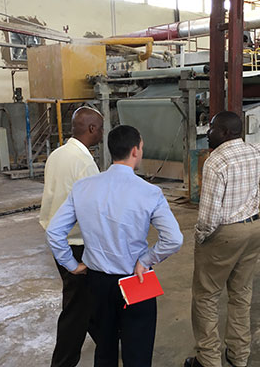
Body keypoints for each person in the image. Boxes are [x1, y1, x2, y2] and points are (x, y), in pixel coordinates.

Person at [46, 125, 183, 367]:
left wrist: (71, 264)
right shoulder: (150, 192)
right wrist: (146, 260)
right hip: (136, 279)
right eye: (141, 147)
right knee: (137, 353)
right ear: (135, 150)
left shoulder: (84, 187)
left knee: (105, 350)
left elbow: (55, 231)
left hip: (96, 281)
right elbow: (173, 239)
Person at [185, 111, 260, 367]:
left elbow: (209, 217)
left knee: (206, 297)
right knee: (241, 296)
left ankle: (208, 360)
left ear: (224, 132)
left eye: (210, 128)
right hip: (254, 231)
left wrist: (200, 238)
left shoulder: (216, 162)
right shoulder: (255, 152)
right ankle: (238, 357)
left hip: (225, 234)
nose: (206, 132)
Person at [39, 106, 104, 367]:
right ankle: (62, 363)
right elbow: (94, 209)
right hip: (77, 244)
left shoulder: (57, 155)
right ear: (91, 129)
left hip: (58, 241)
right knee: (76, 310)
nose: (101, 133)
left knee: (86, 300)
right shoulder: (85, 163)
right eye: (99, 128)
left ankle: (108, 338)